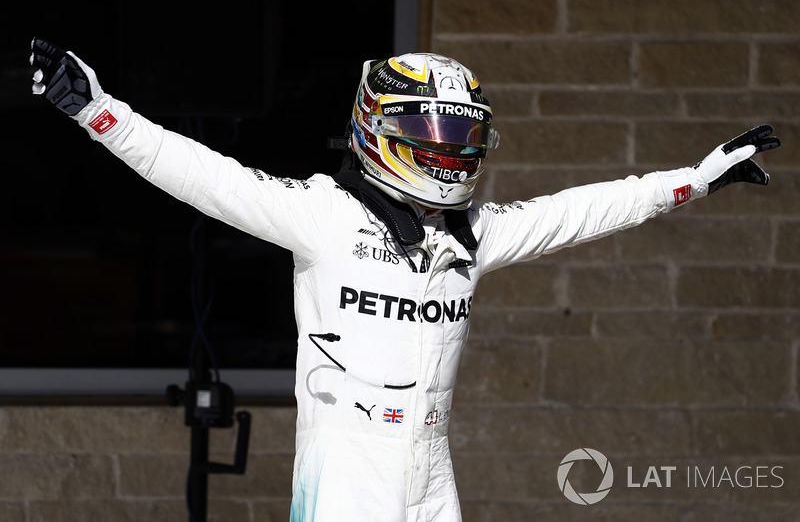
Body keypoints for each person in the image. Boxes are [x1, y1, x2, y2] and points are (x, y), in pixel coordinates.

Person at [30, 38, 780, 522]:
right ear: (380, 127)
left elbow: (581, 211)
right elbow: (203, 176)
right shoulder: (322, 215)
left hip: (432, 472)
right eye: (433, 134)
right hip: (346, 476)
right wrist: (97, 110)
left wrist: (694, 179)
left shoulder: (475, 233)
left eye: (462, 134)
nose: (450, 151)